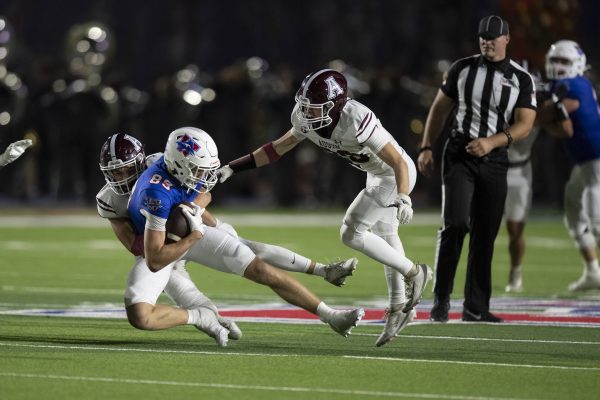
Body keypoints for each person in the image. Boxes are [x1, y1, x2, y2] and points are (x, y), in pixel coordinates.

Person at [217, 69, 431, 347]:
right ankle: (399, 307)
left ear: (336, 105)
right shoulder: (305, 117)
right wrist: (233, 168)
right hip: (375, 174)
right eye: (305, 105)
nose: (306, 112)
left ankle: (414, 273)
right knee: (387, 238)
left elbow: (398, 162)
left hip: (392, 174)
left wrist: (403, 196)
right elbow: (277, 148)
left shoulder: (356, 117)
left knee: (351, 232)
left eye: (314, 107)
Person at [125, 127, 364, 346]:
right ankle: (200, 316)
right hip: (161, 247)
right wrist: (195, 234)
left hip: (189, 229)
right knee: (140, 316)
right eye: (198, 170)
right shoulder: (155, 194)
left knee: (260, 268)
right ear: (178, 165)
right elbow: (155, 259)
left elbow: (203, 195)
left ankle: (331, 316)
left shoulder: (169, 163)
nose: (204, 176)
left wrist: (208, 221)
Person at [417, 15, 537, 323]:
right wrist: (426, 146)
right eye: (483, 37)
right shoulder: (462, 68)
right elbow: (439, 109)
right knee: (455, 224)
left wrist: (492, 142)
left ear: (506, 39)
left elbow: (525, 124)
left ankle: (475, 307)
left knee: (485, 233)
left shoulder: (521, 78)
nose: (487, 42)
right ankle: (441, 298)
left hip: (495, 159)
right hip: (459, 153)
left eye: (493, 37)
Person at [536, 40, 600, 291]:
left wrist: (540, 112)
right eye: (555, 60)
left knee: (596, 221)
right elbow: (562, 128)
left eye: (564, 61)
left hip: (596, 159)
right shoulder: (561, 85)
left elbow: (556, 116)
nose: (558, 65)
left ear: (577, 63)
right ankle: (593, 271)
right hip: (585, 161)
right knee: (573, 208)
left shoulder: (574, 84)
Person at [504, 126, 539, 292]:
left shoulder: (539, 113)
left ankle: (516, 271)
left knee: (515, 231)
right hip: (493, 167)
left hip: (520, 171)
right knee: (482, 228)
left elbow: (565, 130)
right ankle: (478, 276)